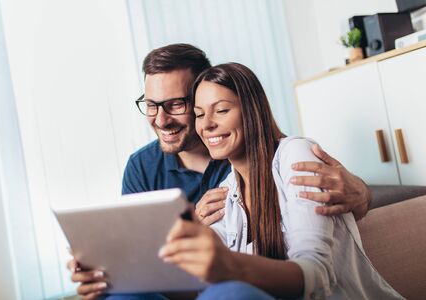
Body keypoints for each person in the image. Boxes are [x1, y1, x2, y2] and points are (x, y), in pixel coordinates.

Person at [68, 44, 372, 299]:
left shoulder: (270, 158)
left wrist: (363, 193)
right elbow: (164, 269)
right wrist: (106, 272)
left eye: (175, 104)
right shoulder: (219, 186)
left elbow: (315, 253)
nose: (161, 120)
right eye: (151, 105)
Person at [157, 62, 402, 299]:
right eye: (199, 115)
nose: (207, 124)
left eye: (221, 110)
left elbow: (318, 274)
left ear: (252, 110)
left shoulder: (295, 156)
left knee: (229, 292)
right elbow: (198, 283)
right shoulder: (226, 192)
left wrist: (231, 265)